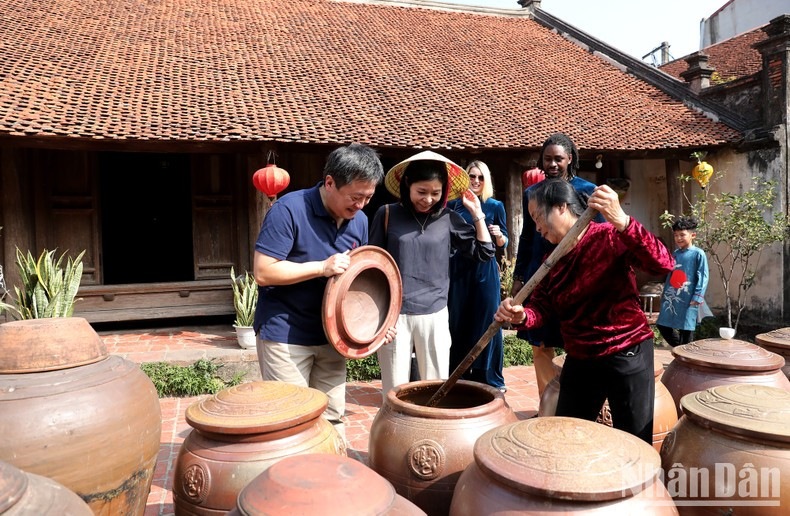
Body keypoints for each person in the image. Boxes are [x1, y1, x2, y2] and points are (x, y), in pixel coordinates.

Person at [495, 178, 674, 443]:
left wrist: (623, 221)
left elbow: (663, 263)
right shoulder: (550, 261)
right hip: (581, 357)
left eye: (537, 216)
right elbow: (541, 308)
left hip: (627, 352)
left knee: (634, 441)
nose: (536, 227)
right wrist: (521, 315)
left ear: (560, 207)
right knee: (569, 437)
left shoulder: (609, 237)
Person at [253, 143, 395, 441]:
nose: (361, 205)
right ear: (329, 182)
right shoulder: (289, 210)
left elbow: (356, 280)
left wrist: (376, 325)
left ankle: (331, 481)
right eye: (355, 197)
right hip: (286, 334)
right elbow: (264, 272)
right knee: (290, 420)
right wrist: (321, 267)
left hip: (332, 338)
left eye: (368, 197)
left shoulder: (360, 220)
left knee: (332, 417)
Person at [369, 151, 495, 398]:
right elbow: (373, 265)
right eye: (421, 192)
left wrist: (476, 213)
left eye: (435, 193)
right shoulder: (386, 214)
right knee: (393, 392)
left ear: (444, 191)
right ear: (408, 186)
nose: (428, 199)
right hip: (395, 316)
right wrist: (378, 316)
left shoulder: (449, 218)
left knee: (435, 390)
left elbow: (485, 251)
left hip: (435, 314)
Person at [510, 133, 602, 397]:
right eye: (547, 159)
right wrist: (518, 279)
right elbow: (527, 239)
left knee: (577, 339)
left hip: (576, 276)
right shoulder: (532, 193)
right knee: (540, 343)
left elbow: (600, 233)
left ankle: (580, 402)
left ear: (569, 159)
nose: (552, 164)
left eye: (558, 159)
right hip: (540, 276)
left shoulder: (586, 191)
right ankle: (548, 405)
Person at [447, 160, 509, 391]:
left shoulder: (495, 206)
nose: (475, 181)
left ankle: (490, 376)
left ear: (487, 180)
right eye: (471, 176)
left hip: (486, 270)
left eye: (480, 177)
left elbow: (504, 241)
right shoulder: (454, 205)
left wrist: (499, 236)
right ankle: (460, 373)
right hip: (459, 269)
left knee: (488, 320)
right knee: (458, 319)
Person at [656, 216, 709, 347]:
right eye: (676, 235)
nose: (678, 238)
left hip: (689, 298)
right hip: (672, 296)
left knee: (686, 329)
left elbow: (703, 276)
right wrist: (665, 292)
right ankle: (681, 350)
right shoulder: (675, 254)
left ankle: (686, 358)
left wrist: (697, 296)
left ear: (693, 235)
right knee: (662, 324)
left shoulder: (698, 253)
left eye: (682, 235)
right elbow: (670, 275)